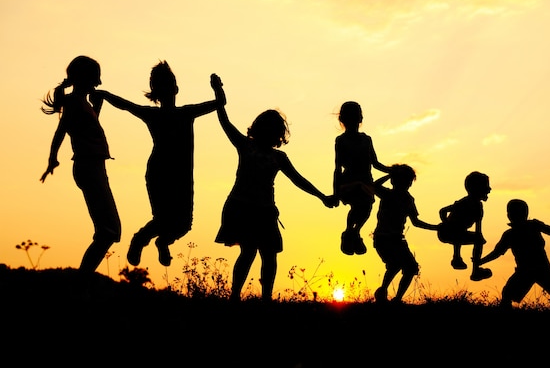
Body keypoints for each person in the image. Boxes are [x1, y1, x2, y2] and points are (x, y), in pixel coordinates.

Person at [210, 73, 337, 302]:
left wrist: (322, 196)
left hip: (265, 211)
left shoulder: (279, 157)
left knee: (269, 255)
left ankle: (265, 298)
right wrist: (218, 92)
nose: (270, 133)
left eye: (274, 130)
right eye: (267, 128)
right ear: (258, 129)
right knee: (248, 252)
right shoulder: (245, 146)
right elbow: (224, 121)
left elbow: (299, 180)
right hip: (242, 207)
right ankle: (235, 296)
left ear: (278, 134)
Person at [94, 60, 222, 267]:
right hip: (160, 173)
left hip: (181, 175)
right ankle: (140, 239)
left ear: (176, 88)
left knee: (182, 224)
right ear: (158, 92)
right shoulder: (158, 114)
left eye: (168, 84)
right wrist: (105, 95)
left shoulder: (186, 113)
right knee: (163, 219)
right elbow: (126, 105)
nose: (167, 89)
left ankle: (162, 242)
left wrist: (217, 88)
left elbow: (219, 103)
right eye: (162, 85)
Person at [40, 55, 122, 273]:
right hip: (89, 168)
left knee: (110, 231)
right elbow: (62, 130)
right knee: (109, 231)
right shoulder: (75, 102)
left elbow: (87, 131)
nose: (98, 83)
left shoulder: (82, 103)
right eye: (95, 78)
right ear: (84, 77)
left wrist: (97, 109)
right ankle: (80, 286)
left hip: (94, 167)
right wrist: (52, 158)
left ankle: (81, 284)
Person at [478, 199, 550, 313]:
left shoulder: (533, 225)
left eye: (517, 212)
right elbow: (496, 252)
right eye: (511, 212)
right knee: (507, 294)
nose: (513, 215)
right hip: (525, 272)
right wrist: (481, 261)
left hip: (541, 270)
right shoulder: (509, 235)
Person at [371, 164, 439, 303]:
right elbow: (374, 185)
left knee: (410, 267)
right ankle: (383, 291)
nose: (407, 184)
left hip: (397, 238)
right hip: (383, 238)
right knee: (397, 265)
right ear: (395, 181)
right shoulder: (387, 194)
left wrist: (435, 227)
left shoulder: (408, 199)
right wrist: (390, 174)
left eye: (408, 181)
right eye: (404, 180)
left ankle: (396, 298)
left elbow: (416, 221)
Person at [333, 101, 391, 256]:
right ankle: (350, 234)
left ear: (360, 119)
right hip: (349, 181)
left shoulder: (367, 139)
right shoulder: (341, 140)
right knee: (360, 205)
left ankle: (353, 233)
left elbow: (376, 163)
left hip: (366, 180)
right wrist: (335, 193)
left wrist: (392, 170)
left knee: (366, 209)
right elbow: (338, 168)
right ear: (343, 120)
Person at [437, 171, 493, 281]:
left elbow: (478, 229)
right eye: (486, 186)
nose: (489, 189)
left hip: (457, 232)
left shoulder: (478, 206)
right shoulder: (465, 203)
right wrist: (446, 223)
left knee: (478, 238)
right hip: (447, 232)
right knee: (466, 233)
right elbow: (443, 211)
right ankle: (458, 259)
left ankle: (475, 269)